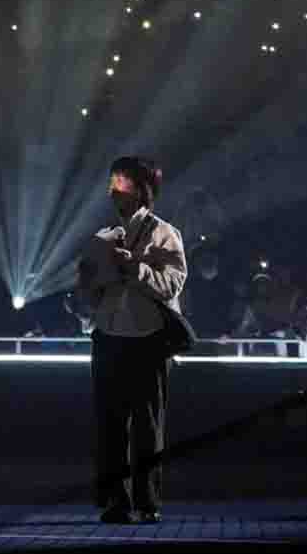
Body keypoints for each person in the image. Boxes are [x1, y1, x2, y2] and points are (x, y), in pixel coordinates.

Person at [75, 156, 187, 525]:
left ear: (142, 189)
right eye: (112, 182)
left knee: (147, 425)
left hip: (148, 338)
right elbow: (88, 293)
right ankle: (116, 501)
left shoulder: (164, 233)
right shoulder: (103, 234)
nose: (113, 190)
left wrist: (133, 267)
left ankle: (147, 501)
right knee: (110, 426)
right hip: (108, 336)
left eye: (121, 182)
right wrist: (92, 277)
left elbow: (172, 283)